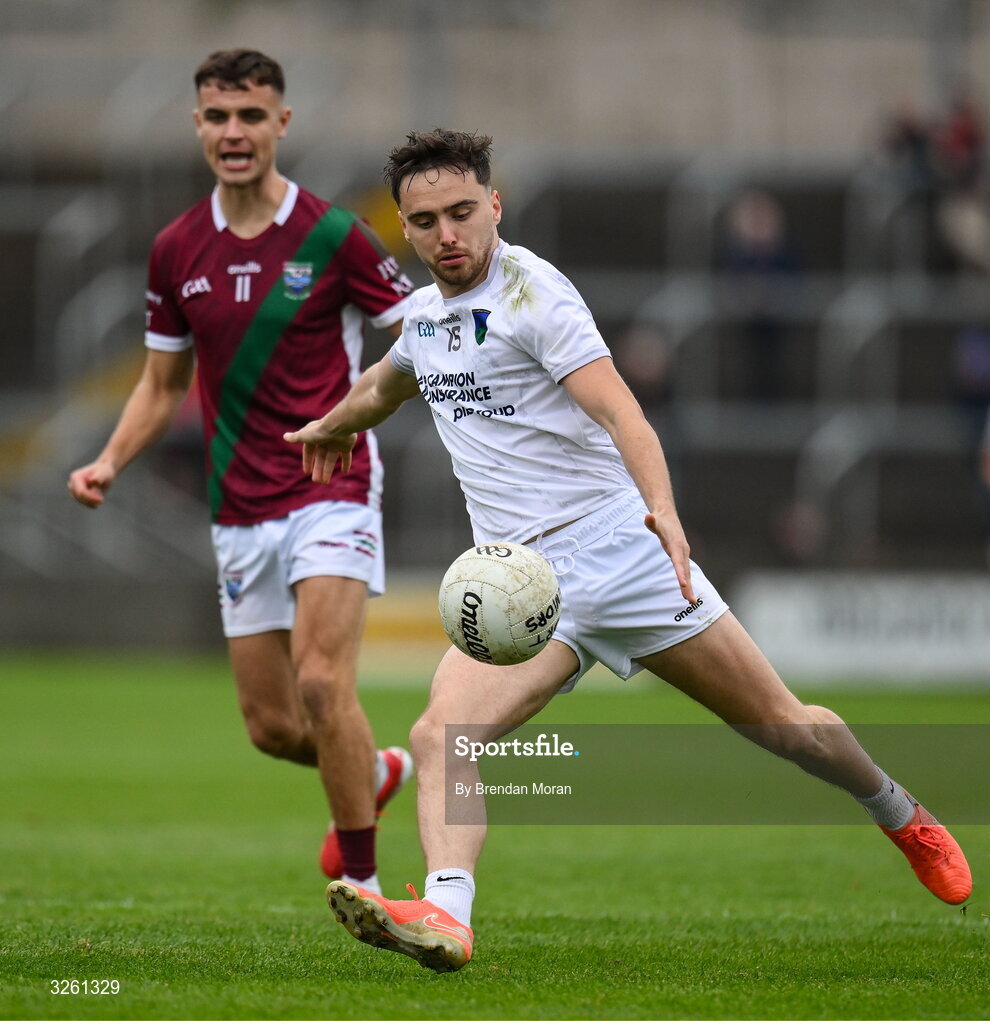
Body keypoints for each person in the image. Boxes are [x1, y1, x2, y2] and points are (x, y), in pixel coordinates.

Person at [285, 129, 973, 973]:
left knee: (788, 730)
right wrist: (331, 423)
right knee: (442, 735)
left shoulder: (537, 296)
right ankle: (446, 915)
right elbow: (389, 382)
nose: (447, 235)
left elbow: (623, 414)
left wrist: (664, 513)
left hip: (623, 551)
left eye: (463, 212)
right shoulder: (425, 318)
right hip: (524, 586)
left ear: (494, 206)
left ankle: (900, 812)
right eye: (425, 221)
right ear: (406, 226)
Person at [67, 50, 416, 893]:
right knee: (272, 727)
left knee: (324, 682)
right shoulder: (175, 248)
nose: (234, 132)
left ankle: (361, 881)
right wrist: (110, 460)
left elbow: (419, 337)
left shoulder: (336, 235)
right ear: (197, 126)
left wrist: (352, 415)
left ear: (280, 125)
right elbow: (161, 384)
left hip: (329, 484)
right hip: (238, 503)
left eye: (251, 116)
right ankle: (375, 773)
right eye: (218, 117)